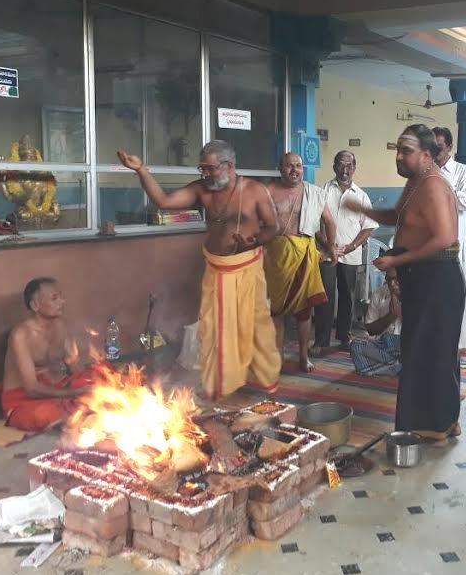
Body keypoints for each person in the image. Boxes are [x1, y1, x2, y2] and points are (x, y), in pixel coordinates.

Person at [117, 141, 281, 399]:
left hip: (246, 269)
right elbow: (163, 201)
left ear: (229, 166)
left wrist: (253, 241)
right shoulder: (201, 189)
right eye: (202, 168)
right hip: (216, 268)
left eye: (210, 168)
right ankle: (222, 387)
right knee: (214, 330)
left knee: (255, 328)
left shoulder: (254, 190)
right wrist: (141, 170)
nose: (205, 174)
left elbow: (274, 227)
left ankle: (267, 385)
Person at [345, 124, 464, 443]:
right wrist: (363, 209)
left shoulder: (433, 185)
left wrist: (397, 261)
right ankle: (439, 422)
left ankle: (434, 426)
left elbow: (444, 238)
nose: (399, 156)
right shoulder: (416, 181)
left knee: (432, 353)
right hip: (423, 278)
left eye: (406, 151)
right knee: (421, 351)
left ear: (426, 155)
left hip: (437, 279)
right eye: (397, 150)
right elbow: (397, 218)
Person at [264, 152, 337, 372]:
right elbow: (257, 223)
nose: (294, 170)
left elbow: (329, 222)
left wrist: (332, 247)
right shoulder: (268, 192)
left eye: (298, 166)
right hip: (276, 257)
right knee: (275, 311)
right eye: (289, 166)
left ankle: (303, 356)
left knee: (304, 312)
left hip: (304, 255)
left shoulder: (314, 193)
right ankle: (277, 357)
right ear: (280, 168)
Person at [1, 278, 101, 431]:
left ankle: (81, 411)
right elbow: (31, 389)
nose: (62, 301)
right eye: (55, 298)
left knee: (101, 378)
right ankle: (78, 414)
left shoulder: (60, 326)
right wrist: (76, 393)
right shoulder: (21, 335)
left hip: (55, 389)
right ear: (35, 305)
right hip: (24, 399)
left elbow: (74, 367)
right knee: (44, 414)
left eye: (61, 297)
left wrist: (89, 384)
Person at [313, 150, 378, 356]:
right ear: (334, 167)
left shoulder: (361, 196)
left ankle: (344, 337)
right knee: (325, 297)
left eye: (349, 165)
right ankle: (321, 340)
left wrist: (351, 246)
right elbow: (313, 224)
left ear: (354, 168)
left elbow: (368, 227)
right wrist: (328, 245)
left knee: (347, 297)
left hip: (350, 255)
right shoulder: (322, 191)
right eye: (341, 164)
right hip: (326, 253)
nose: (345, 169)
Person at [434, 126, 466, 350]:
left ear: (450, 147)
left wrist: (448, 194)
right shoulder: (425, 172)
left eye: (439, 147)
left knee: (454, 293)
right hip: (426, 244)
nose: (435, 152)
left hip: (451, 246)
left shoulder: (462, 172)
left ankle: (456, 342)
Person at [350, 269, 402, 377]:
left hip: (405, 345)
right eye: (388, 280)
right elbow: (370, 330)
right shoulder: (378, 294)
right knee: (356, 346)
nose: (392, 284)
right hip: (383, 347)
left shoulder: (416, 294)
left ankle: (391, 367)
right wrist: (391, 316)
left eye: (396, 279)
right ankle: (399, 367)